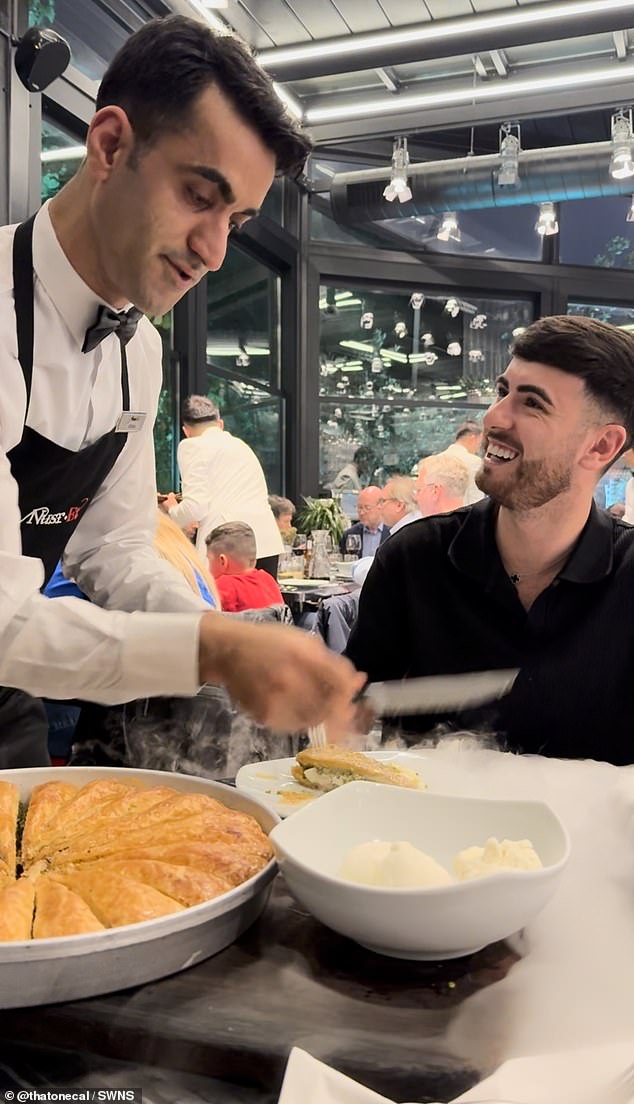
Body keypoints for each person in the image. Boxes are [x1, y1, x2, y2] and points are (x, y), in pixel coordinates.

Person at [0, 15, 363, 767]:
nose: (215, 250)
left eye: (237, 219)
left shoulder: (140, 349)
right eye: (201, 196)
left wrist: (224, 632)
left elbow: (120, 548)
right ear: (109, 145)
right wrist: (211, 646)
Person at [346, 315, 634, 765]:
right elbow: (350, 721)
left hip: (591, 834)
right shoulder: (415, 557)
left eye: (533, 403)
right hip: (424, 829)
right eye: (503, 392)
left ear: (600, 447)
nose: (494, 418)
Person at [163, 395, 283, 578]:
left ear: (186, 430)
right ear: (220, 424)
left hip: (229, 548)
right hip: (265, 542)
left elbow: (196, 507)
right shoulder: (240, 445)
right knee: (266, 605)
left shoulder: (192, 445)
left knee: (222, 605)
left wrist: (171, 511)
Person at [206, 521, 284, 613]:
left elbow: (203, 614)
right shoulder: (267, 579)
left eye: (209, 560)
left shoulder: (224, 585)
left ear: (223, 561)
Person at [438, 420, 485, 505]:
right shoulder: (474, 461)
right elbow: (476, 496)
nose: (479, 447)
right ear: (473, 437)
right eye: (480, 441)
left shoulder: (437, 459)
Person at [339, 486, 390, 558]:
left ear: (380, 506)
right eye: (359, 507)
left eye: (367, 508)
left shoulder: (393, 533)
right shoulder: (350, 535)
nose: (362, 512)